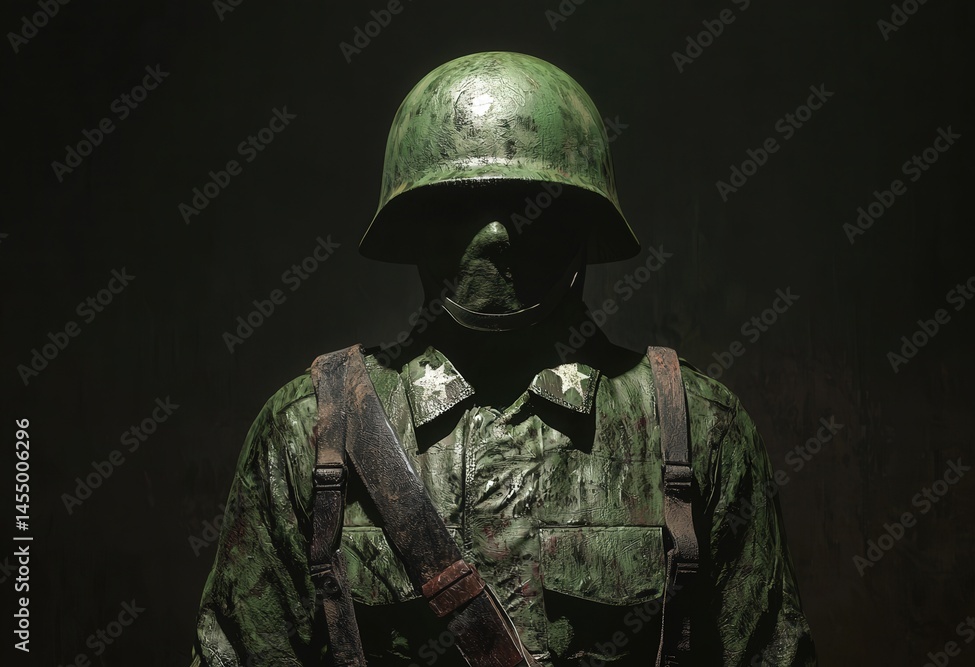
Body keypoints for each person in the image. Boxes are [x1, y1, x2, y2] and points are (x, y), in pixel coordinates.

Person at [191, 51, 817, 666]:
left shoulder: (694, 429)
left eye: (526, 203)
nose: (495, 236)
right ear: (412, 225)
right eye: (461, 205)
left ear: (579, 221)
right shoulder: (313, 433)